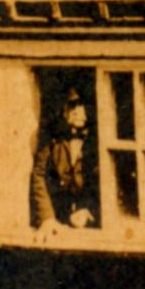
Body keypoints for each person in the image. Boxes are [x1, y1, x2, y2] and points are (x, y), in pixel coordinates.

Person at [32, 88, 99, 234]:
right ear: (63, 110)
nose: (77, 111)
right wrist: (47, 217)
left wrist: (88, 208)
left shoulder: (98, 141)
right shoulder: (52, 140)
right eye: (71, 106)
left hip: (91, 218)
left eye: (81, 106)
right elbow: (39, 175)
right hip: (57, 219)